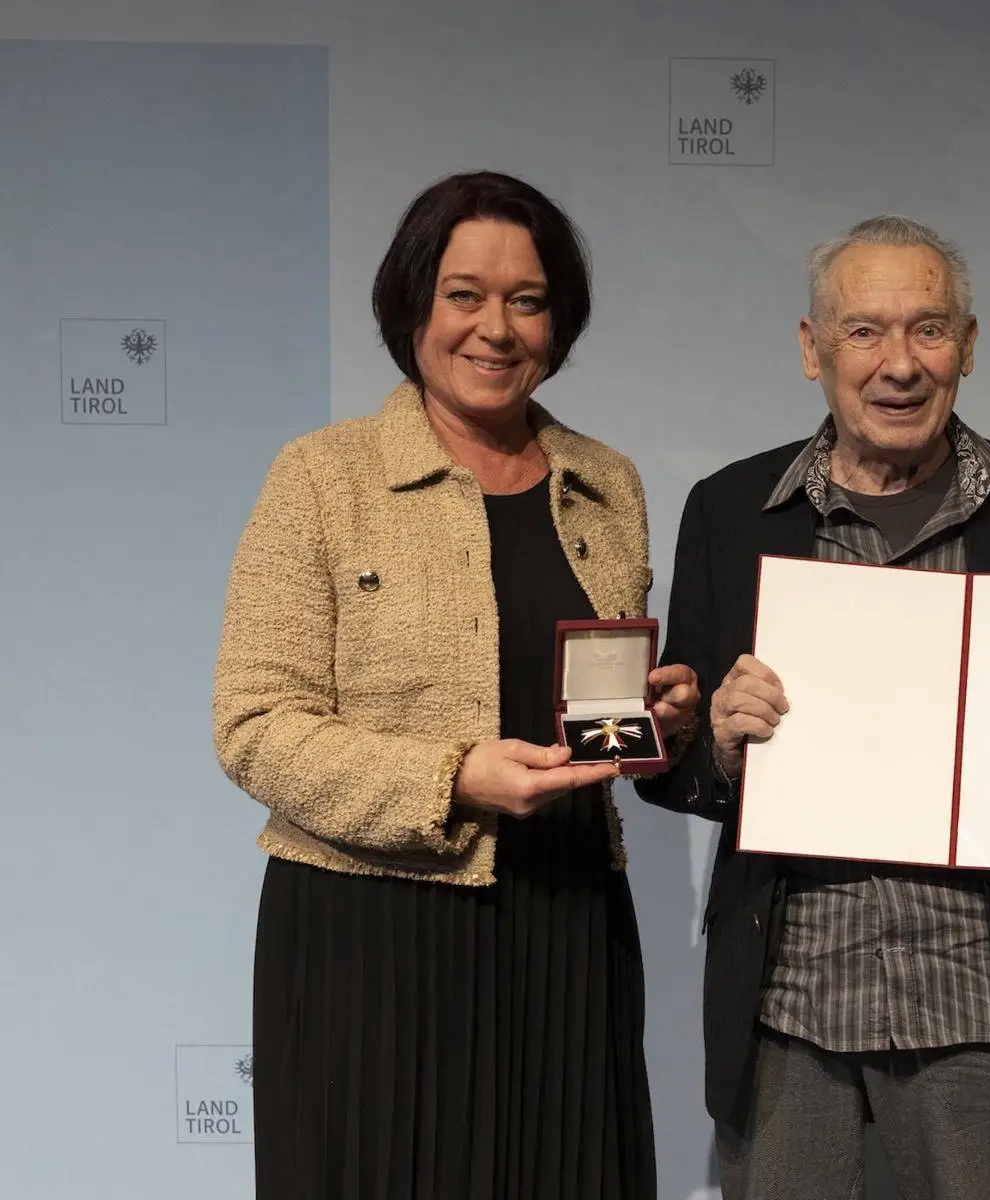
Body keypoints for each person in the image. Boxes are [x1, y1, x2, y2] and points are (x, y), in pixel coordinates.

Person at [212, 170, 700, 1199]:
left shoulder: (607, 483)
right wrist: (453, 778)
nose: (497, 328)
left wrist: (661, 719)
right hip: (371, 939)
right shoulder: (321, 476)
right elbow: (255, 728)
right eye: (464, 294)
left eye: (527, 300)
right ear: (413, 305)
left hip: (565, 920)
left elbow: (590, 702)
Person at [635, 215, 990, 1199]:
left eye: (928, 329)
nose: (898, 363)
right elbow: (674, 764)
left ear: (969, 347)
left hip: (982, 1009)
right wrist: (717, 743)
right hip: (791, 1009)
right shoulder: (732, 513)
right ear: (813, 350)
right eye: (864, 331)